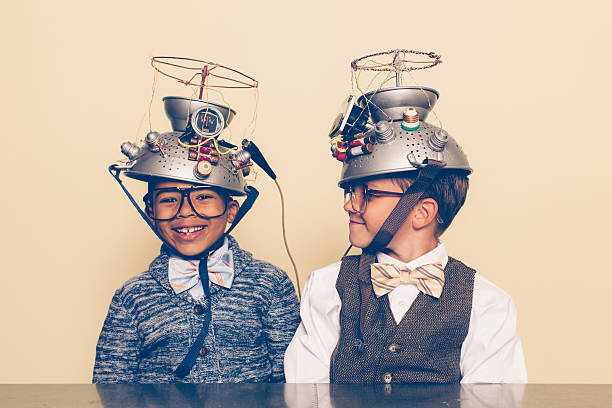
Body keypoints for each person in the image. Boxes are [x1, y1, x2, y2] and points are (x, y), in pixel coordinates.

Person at [284, 86, 527, 384]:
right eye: (351, 192)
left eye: (368, 195)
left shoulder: (487, 302)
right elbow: (306, 392)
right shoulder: (326, 287)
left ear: (421, 212)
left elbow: (492, 398)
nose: (350, 205)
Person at [93, 97, 300, 383]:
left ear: (231, 209)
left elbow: (294, 380)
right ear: (150, 212)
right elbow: (110, 388)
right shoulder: (132, 297)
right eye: (168, 199)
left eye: (203, 197)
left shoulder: (270, 284)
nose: (186, 212)